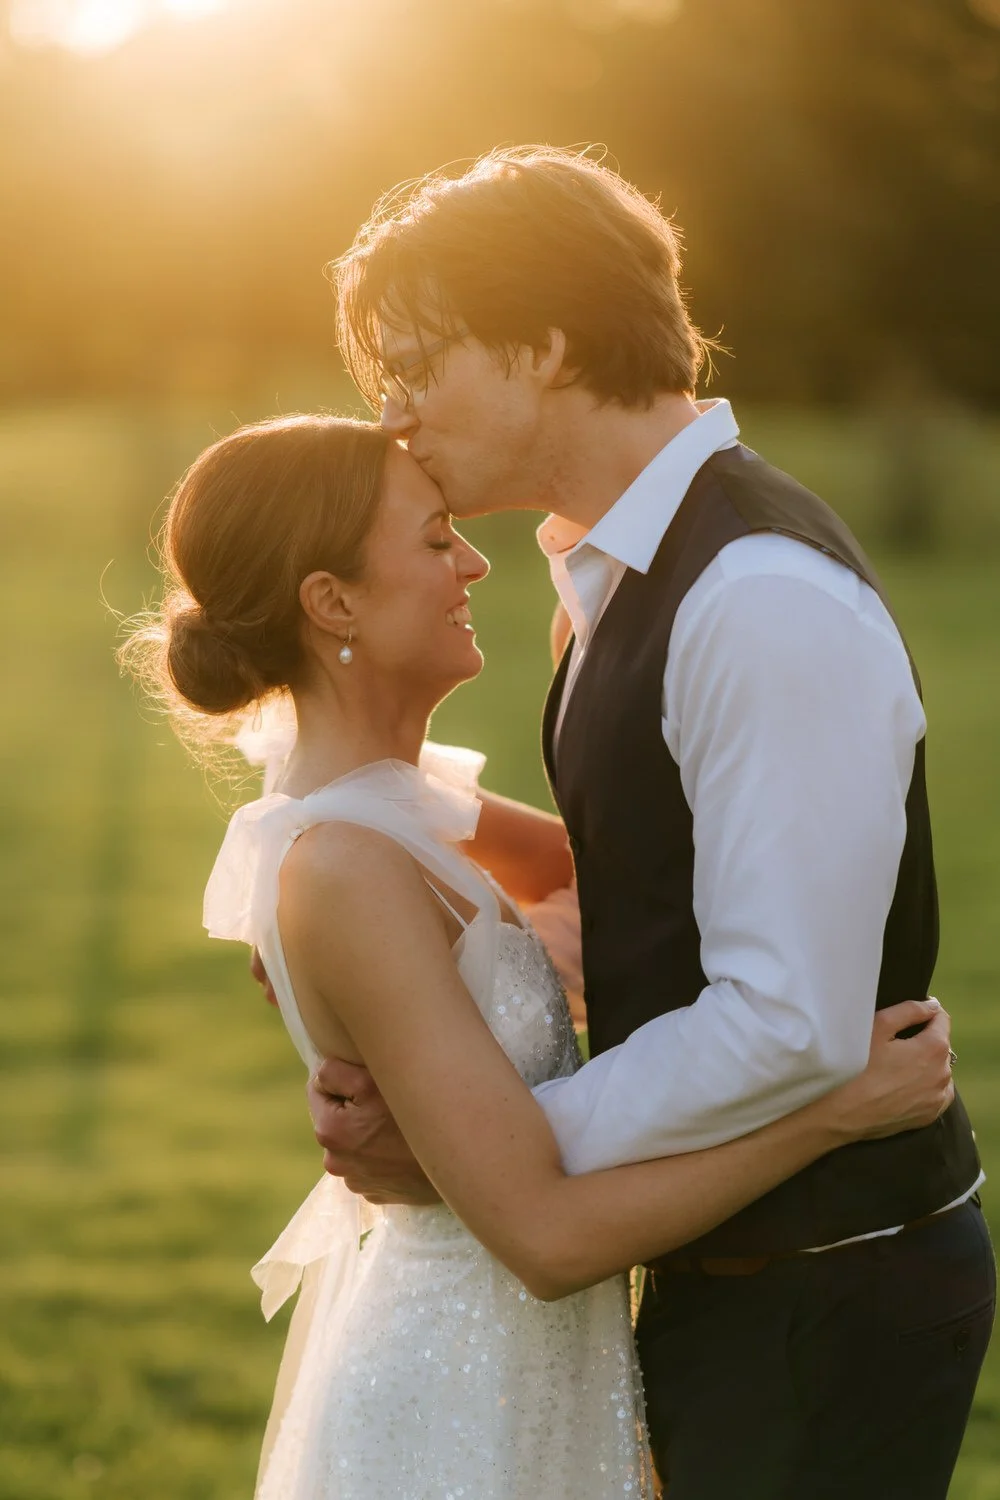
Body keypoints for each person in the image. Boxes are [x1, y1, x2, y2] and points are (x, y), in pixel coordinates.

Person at [303, 145, 995, 1498]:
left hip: (825, 1296)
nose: (394, 418)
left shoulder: (754, 595)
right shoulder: (615, 579)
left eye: (417, 364)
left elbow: (787, 1020)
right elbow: (660, 899)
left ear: (543, 346)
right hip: (735, 1271)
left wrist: (490, 1152)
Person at [125, 412, 955, 1500]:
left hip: (542, 1377)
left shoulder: (407, 809)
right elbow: (549, 1240)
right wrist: (832, 1109)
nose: (473, 559)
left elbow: (628, 889)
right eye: (432, 541)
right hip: (458, 1400)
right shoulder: (342, 864)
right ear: (331, 603)